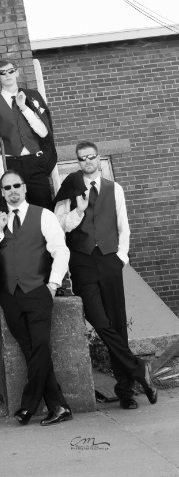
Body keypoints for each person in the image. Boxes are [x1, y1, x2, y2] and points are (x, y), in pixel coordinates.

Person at [54, 141, 158, 410]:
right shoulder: (68, 187)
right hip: (82, 262)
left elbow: (124, 226)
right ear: (77, 162)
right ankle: (139, 369)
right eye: (82, 158)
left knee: (117, 324)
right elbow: (59, 225)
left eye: (91, 157)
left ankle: (126, 391)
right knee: (99, 321)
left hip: (110, 260)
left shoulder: (115, 189)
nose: (87, 161)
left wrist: (121, 258)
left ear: (98, 158)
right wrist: (78, 210)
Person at [0, 170, 72, 426]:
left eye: (16, 186)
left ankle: (28, 406)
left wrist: (53, 284)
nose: (13, 191)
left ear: (25, 188)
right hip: (10, 296)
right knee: (31, 351)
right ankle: (59, 406)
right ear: (2, 192)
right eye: (7, 188)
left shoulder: (44, 215)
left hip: (38, 291)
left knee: (39, 346)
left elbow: (60, 250)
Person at [0, 58, 57, 210]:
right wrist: (2, 174)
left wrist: (24, 108)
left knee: (44, 209)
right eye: (2, 73)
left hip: (35, 162)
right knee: (17, 211)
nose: (7, 75)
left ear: (17, 73)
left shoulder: (32, 97)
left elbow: (43, 132)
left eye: (11, 71)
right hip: (11, 164)